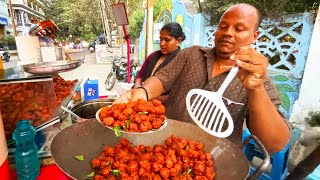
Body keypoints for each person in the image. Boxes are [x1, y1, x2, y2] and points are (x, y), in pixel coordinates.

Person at [115, 3, 290, 152]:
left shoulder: (259, 81)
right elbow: (162, 78)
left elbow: (275, 144)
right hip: (163, 146)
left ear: (254, 36)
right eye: (223, 26)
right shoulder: (192, 54)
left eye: (239, 29)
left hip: (213, 160)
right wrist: (142, 92)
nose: (228, 33)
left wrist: (256, 89)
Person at [133, 22, 186, 103]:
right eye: (161, 39)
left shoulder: (181, 62)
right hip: (142, 99)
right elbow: (140, 74)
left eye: (167, 40)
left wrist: (149, 98)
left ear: (178, 41)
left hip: (162, 107)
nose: (162, 43)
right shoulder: (153, 56)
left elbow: (177, 94)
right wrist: (138, 86)